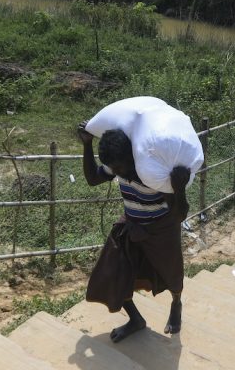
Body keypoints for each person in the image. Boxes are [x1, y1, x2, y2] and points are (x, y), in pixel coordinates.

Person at [77, 123, 191, 342]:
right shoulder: (118, 164)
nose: (118, 174)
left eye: (120, 169)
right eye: (114, 170)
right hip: (132, 224)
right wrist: (87, 144)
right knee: (114, 272)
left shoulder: (155, 174)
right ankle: (136, 319)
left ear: (132, 156)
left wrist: (179, 189)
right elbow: (93, 179)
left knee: (172, 274)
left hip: (162, 228)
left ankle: (176, 303)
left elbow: (180, 215)